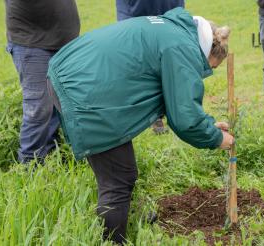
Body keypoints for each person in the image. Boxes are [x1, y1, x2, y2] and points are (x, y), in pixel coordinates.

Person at [47, 7, 233, 244]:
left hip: (72, 71)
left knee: (120, 171)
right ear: (206, 52)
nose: (205, 73)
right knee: (119, 179)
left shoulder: (174, 30)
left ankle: (123, 216)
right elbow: (185, 118)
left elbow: (169, 92)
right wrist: (216, 138)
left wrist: (208, 125)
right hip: (85, 92)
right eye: (209, 68)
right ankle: (112, 240)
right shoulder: (183, 49)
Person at [4, 0, 80, 163]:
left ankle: (53, 155)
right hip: (31, 41)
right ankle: (28, 165)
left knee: (60, 104)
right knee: (39, 109)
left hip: (66, 40)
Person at [116, 0, 185, 134]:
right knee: (139, 58)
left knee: (169, 56)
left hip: (168, 9)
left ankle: (170, 112)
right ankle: (150, 113)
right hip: (135, 9)